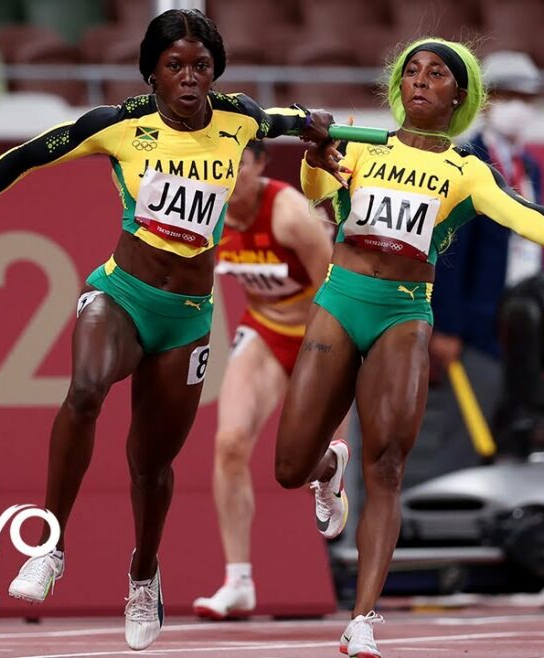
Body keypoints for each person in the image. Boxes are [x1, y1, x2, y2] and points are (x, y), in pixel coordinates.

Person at [0, 9, 336, 651]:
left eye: (201, 66)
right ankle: (48, 546)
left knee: (149, 464)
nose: (190, 79)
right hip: (121, 293)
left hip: (187, 318)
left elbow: (290, 123)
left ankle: (143, 575)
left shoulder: (240, 117)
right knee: (83, 392)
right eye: (175, 67)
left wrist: (314, 126)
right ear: (151, 74)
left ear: (215, 72)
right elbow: (22, 159)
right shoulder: (117, 126)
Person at [272, 37, 544, 658]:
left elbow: (526, 215)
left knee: (387, 466)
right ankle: (328, 469)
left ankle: (362, 619)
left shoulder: (468, 172)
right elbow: (315, 194)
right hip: (341, 301)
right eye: (411, 71)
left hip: (405, 314)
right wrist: (316, 153)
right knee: (287, 468)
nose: (419, 81)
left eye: (436, 74)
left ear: (459, 96)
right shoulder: (365, 147)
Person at [191, 141, 351, 620]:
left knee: (302, 462)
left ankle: (329, 475)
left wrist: (337, 359)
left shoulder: (287, 216)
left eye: (239, 166)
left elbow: (338, 283)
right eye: (220, 167)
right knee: (230, 444)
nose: (228, 176)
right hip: (264, 331)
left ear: (259, 166)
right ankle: (237, 581)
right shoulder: (204, 211)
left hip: (319, 335)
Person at [418, 50, 544, 482]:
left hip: (522, 318)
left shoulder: (530, 168)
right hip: (475, 327)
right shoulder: (466, 160)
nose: (518, 108)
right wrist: (448, 327)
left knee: (515, 423)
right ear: (485, 101)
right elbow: (450, 251)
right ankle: (445, 515)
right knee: (466, 429)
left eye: (527, 99)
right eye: (509, 96)